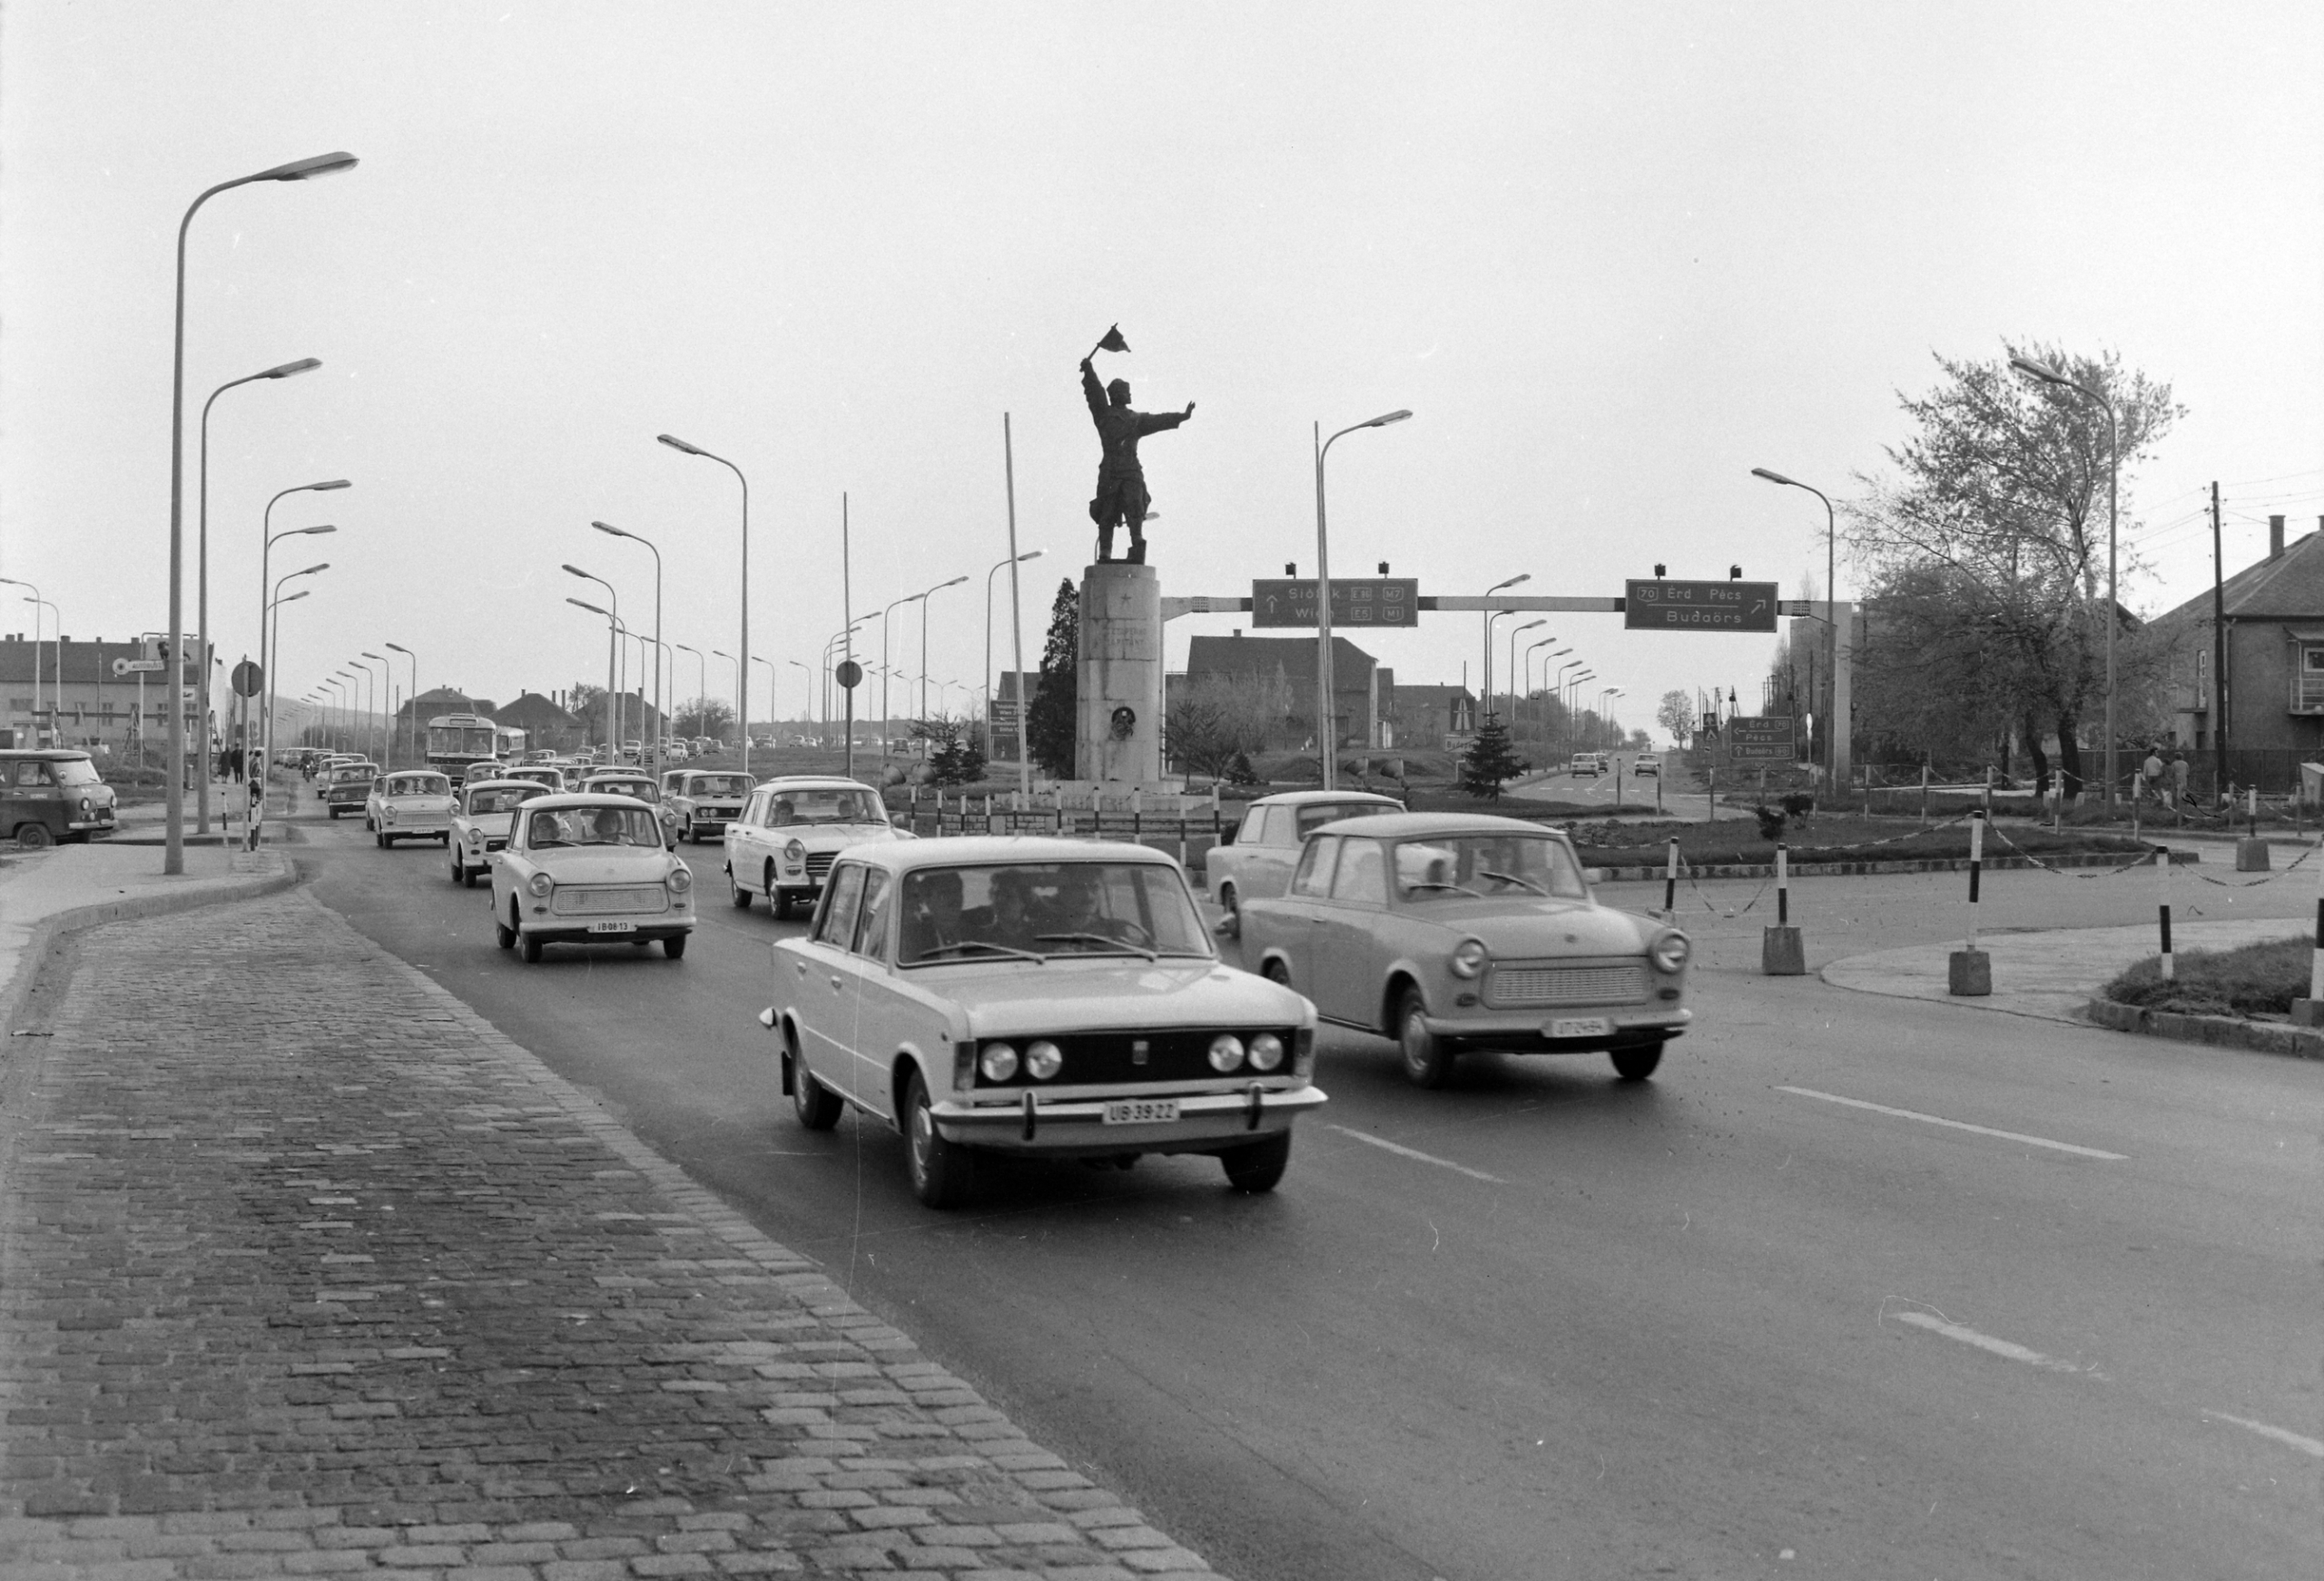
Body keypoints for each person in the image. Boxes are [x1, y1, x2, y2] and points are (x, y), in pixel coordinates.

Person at [1079, 344, 1195, 565]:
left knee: (1135, 507)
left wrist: (1181, 416)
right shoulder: (1104, 415)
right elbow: (1095, 393)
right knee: (1107, 513)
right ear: (1119, 394)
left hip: (1130, 470)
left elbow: (1159, 420)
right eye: (1127, 390)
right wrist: (1089, 371)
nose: (1130, 393)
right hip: (1111, 470)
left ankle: (1137, 543)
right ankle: (1105, 552)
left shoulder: (1136, 419)